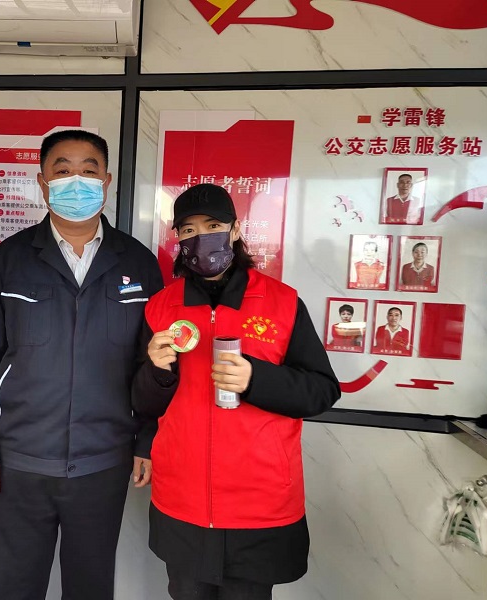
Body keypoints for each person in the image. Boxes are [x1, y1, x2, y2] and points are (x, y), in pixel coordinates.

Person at [0, 130, 164, 600]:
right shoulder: (9, 260)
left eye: (89, 171)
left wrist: (147, 441)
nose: (76, 181)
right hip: (18, 463)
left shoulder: (139, 263)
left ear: (106, 181)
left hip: (103, 462)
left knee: (90, 587)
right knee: (15, 587)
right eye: (63, 170)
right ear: (43, 181)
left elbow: (151, 367)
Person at [131, 184, 340, 600]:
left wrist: (255, 379)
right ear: (178, 240)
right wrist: (156, 370)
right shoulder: (161, 308)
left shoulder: (282, 302)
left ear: (236, 229)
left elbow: (321, 391)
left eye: (213, 226)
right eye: (188, 230)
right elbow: (144, 403)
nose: (201, 237)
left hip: (258, 502)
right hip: (183, 499)